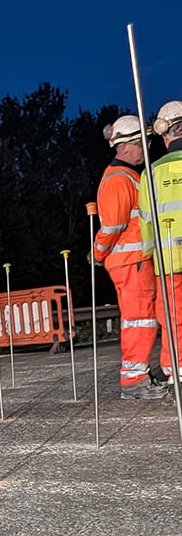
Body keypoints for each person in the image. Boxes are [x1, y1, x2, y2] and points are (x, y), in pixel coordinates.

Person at [96, 114, 167, 399]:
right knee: (139, 319)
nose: (147, 147)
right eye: (142, 142)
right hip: (131, 262)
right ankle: (135, 380)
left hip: (133, 261)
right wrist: (97, 252)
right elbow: (112, 227)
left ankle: (138, 375)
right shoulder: (119, 179)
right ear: (125, 146)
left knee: (142, 319)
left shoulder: (127, 176)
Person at [138, 101, 182, 394]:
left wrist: (147, 256)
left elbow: (146, 222)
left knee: (174, 317)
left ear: (165, 134)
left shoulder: (151, 173)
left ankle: (176, 370)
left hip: (168, 260)